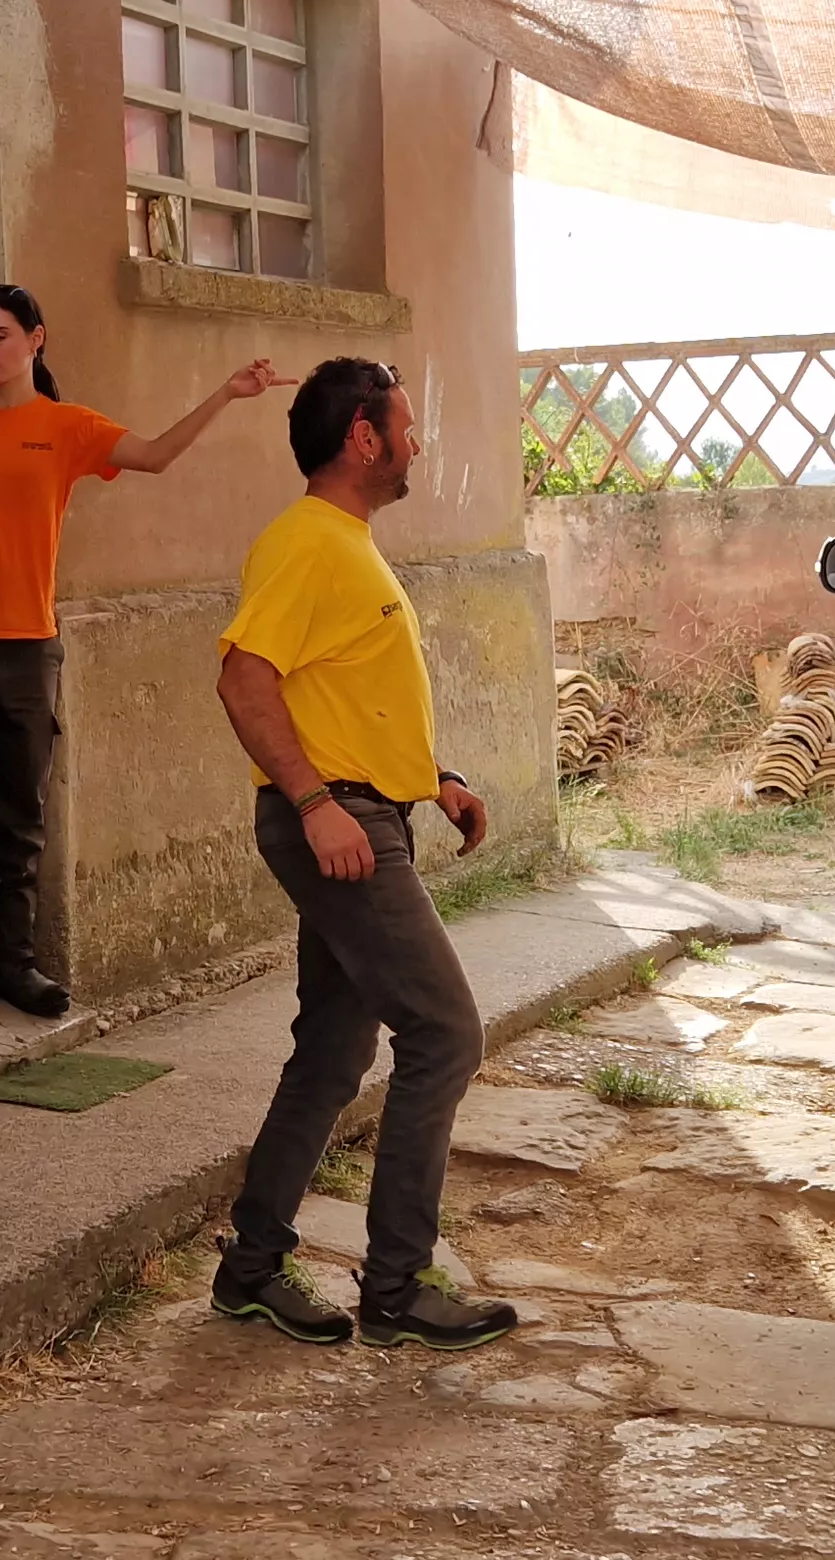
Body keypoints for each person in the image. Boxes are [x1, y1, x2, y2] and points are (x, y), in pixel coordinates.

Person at [203, 357, 516, 1351]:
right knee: (445, 1035)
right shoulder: (308, 545)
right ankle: (398, 1285)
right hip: (338, 830)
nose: (418, 441)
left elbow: (347, 695)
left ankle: (251, 1269)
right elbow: (244, 680)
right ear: (363, 438)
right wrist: (314, 803)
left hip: (364, 811)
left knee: (335, 1049)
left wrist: (436, 776)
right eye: (406, 424)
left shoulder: (344, 546)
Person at [0, 282, 280, 1023]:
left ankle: (9, 963)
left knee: (19, 814)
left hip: (30, 649)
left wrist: (227, 392)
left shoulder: (66, 427)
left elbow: (156, 455)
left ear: (37, 339)